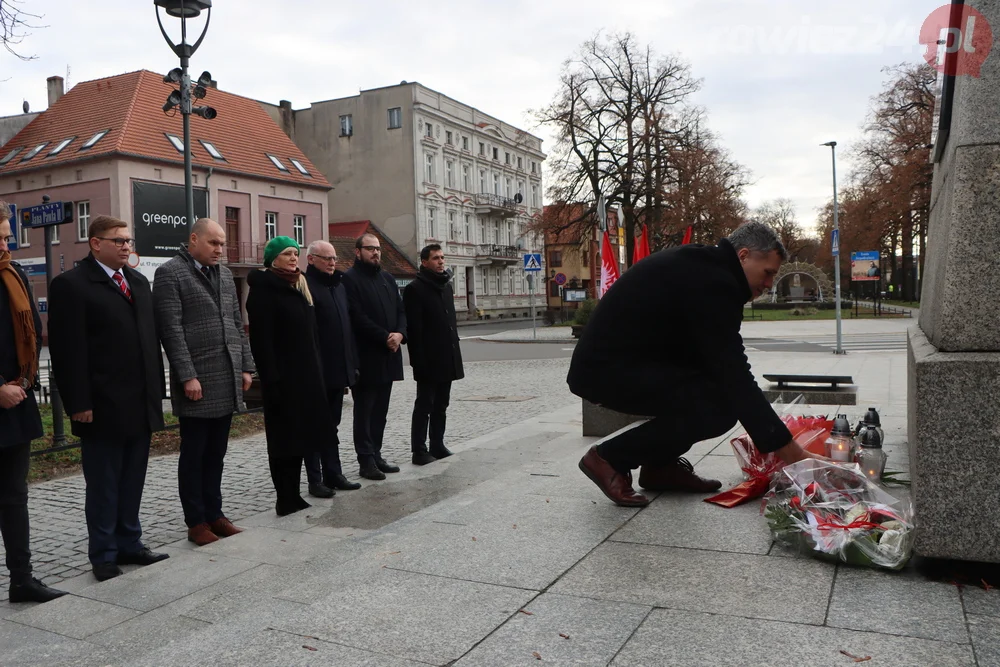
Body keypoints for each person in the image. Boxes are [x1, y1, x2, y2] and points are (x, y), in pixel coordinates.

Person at [568, 221, 822, 507]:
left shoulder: (708, 269)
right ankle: (607, 458)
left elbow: (715, 362)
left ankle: (660, 467)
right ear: (743, 256)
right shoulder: (715, 282)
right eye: (768, 273)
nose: (768, 285)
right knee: (719, 408)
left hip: (624, 363)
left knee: (714, 395)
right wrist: (793, 454)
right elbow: (734, 374)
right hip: (606, 370)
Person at [48, 215, 169, 581]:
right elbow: (68, 352)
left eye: (128, 240)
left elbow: (149, 342)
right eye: (117, 240)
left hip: (139, 402)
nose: (126, 246)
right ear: (95, 243)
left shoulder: (137, 281)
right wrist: (78, 403)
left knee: (133, 479)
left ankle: (130, 542)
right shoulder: (72, 284)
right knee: (103, 484)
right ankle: (103, 554)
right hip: (100, 405)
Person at [153, 218, 255, 546]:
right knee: (194, 454)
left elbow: (237, 324)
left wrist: (245, 367)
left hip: (225, 376)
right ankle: (196, 522)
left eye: (222, 244)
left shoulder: (224, 275)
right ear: (193, 239)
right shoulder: (171, 273)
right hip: (197, 381)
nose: (220, 249)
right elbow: (171, 329)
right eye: (213, 243)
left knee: (216, 454)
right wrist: (187, 375)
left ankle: (215, 514)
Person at [0, 202, 66, 603]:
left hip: (17, 400)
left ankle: (22, 579)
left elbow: (32, 332)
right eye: (0, 236)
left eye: (7, 235)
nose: (6, 243)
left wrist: (22, 381)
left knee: (14, 496)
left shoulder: (14, 273)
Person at [246, 237, 332, 516]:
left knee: (301, 438)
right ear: (273, 259)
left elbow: (313, 337)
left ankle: (294, 494)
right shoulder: (264, 290)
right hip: (282, 380)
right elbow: (262, 341)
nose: (294, 258)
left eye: (296, 253)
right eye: (287, 254)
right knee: (283, 441)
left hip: (307, 378)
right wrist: (272, 380)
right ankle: (284, 496)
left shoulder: (299, 285)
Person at [342, 234, 406, 480]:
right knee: (365, 411)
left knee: (381, 410)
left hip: (389, 355)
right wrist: (385, 337)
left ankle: (377, 454)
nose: (376, 253)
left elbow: (401, 311)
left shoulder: (387, 278)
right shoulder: (349, 279)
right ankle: (365, 460)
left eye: (378, 249)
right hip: (366, 357)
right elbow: (356, 317)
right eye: (370, 249)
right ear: (358, 252)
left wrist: (400, 334)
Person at [303, 240, 361, 497]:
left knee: (332, 425)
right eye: (326, 258)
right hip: (317, 372)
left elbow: (347, 329)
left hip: (339, 370)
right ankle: (315, 479)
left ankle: (333, 473)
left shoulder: (338, 286)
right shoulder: (305, 286)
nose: (331, 262)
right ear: (311, 259)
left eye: (334, 258)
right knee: (315, 426)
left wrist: (352, 364)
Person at [403, 244, 464, 465]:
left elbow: (451, 323)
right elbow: (414, 330)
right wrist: (419, 363)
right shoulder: (415, 289)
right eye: (436, 258)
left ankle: (437, 444)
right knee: (424, 405)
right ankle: (419, 449)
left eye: (442, 257)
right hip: (428, 359)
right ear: (425, 262)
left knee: (442, 404)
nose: (441, 261)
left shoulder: (446, 286)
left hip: (447, 356)